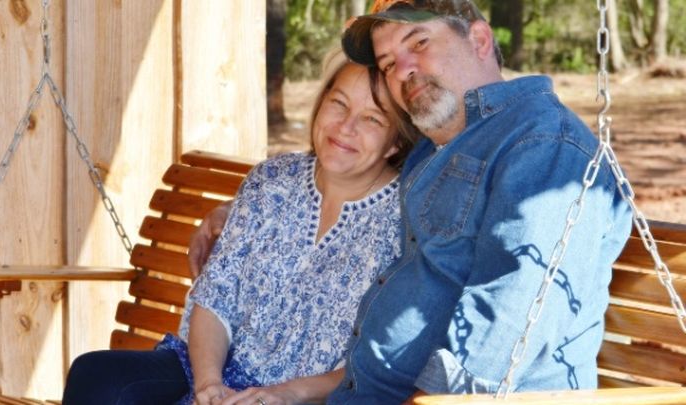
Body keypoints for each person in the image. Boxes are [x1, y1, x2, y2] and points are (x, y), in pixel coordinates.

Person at [191, 0, 633, 403]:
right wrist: (235, 212)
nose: (402, 70)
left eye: (419, 43)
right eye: (388, 63)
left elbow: (509, 323)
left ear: (479, 40)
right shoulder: (435, 149)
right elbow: (345, 175)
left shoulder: (541, 144)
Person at [60, 49, 420, 405]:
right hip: (214, 368)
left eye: (373, 119)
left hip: (309, 397)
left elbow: (381, 362)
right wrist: (209, 386)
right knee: (98, 377)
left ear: (397, 142)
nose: (346, 127)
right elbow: (214, 299)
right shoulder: (272, 179)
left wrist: (285, 394)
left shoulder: (407, 221)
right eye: (338, 103)